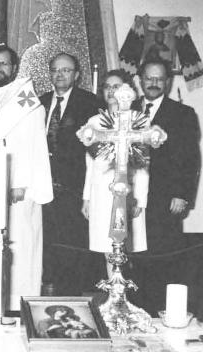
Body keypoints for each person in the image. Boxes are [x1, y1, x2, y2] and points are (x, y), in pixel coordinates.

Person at [0, 45, 52, 313]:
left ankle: (18, 301)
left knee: (20, 241)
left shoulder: (27, 102)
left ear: (14, 68)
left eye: (3, 64)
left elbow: (34, 144)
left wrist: (21, 182)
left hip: (17, 186)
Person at [39, 52, 103, 295]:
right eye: (55, 70)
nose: (60, 74)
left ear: (76, 75)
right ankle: (49, 288)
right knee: (47, 240)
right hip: (44, 185)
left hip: (73, 185)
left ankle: (72, 294)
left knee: (73, 241)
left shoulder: (89, 103)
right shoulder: (40, 102)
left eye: (66, 70)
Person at [81, 71, 149, 274]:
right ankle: (112, 293)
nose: (111, 91)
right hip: (101, 192)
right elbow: (90, 164)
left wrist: (140, 199)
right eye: (107, 86)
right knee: (105, 245)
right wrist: (87, 197)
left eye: (116, 86)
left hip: (127, 192)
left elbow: (143, 165)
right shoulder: (93, 122)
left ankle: (125, 297)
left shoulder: (138, 122)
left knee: (125, 245)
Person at [132, 58, 200, 254]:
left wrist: (182, 194)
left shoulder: (183, 114)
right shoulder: (126, 110)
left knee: (163, 252)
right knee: (133, 251)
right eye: (149, 78)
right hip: (131, 195)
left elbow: (190, 158)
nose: (153, 83)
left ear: (168, 82)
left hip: (165, 197)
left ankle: (162, 286)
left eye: (159, 79)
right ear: (140, 80)